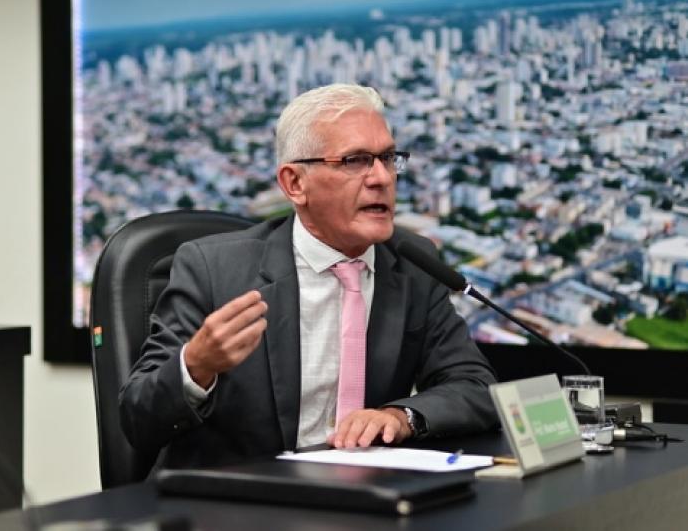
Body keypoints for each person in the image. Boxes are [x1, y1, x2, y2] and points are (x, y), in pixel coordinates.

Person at [120, 84, 499, 473]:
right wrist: (196, 366)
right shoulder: (212, 269)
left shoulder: (413, 263)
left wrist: (402, 417)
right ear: (295, 184)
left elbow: (474, 386)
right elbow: (137, 418)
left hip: (368, 493)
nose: (381, 177)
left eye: (388, 158)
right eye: (355, 161)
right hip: (239, 495)